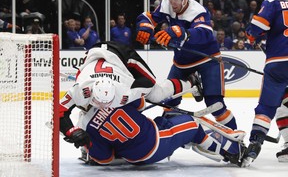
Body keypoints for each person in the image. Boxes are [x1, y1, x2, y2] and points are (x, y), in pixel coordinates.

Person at [59, 41, 245, 166]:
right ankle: (230, 151)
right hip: (151, 143)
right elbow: (138, 105)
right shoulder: (81, 88)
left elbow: (146, 92)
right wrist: (70, 131)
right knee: (191, 124)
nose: (104, 107)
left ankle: (191, 83)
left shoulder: (124, 88)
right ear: (89, 96)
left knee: (156, 94)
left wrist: (75, 133)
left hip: (123, 57)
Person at [135, 0, 238, 130]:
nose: (172, 2)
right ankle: (167, 135)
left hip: (207, 59)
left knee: (215, 104)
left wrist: (182, 33)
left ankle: (236, 137)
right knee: (169, 101)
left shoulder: (198, 11)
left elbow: (205, 34)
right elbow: (149, 17)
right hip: (182, 61)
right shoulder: (166, 5)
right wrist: (145, 26)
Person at [241, 0, 288, 167]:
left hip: (278, 64)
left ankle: (255, 144)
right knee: (285, 104)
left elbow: (257, 26)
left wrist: (252, 36)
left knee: (267, 107)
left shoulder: (273, 2)